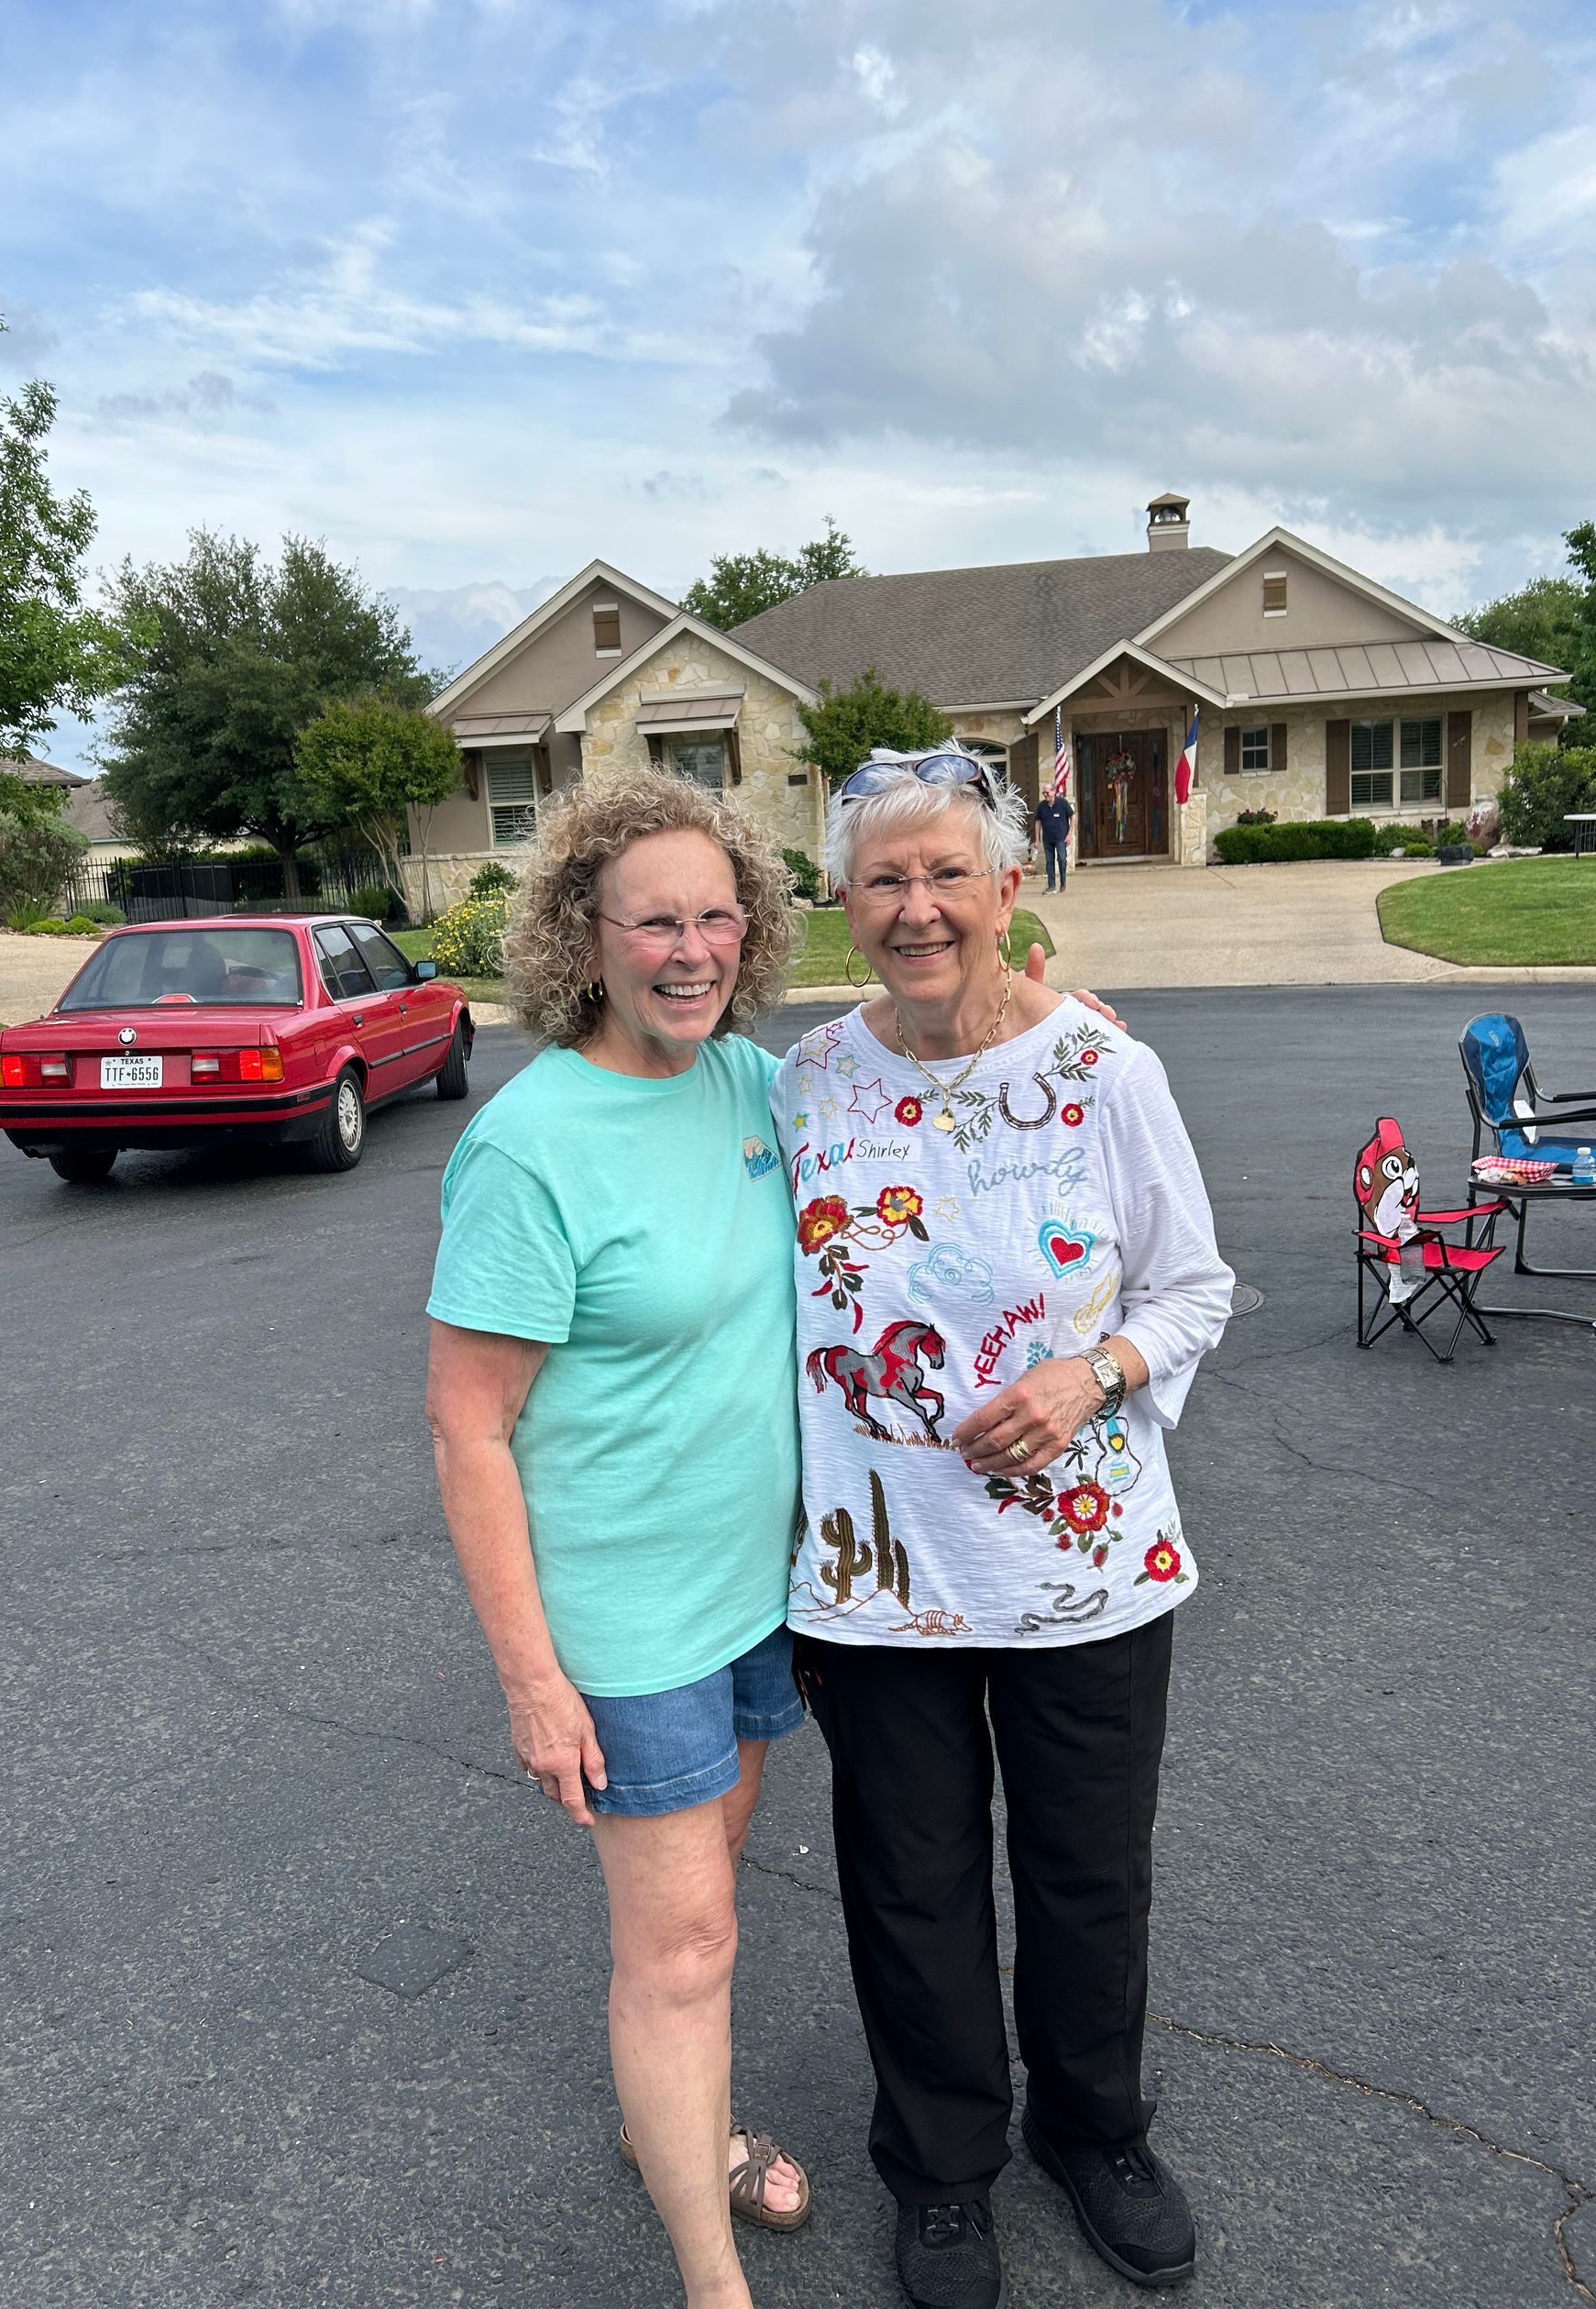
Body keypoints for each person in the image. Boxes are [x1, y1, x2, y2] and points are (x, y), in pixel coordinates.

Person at [776, 748, 1232, 2309]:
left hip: (1085, 1571)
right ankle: (945, 2167)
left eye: (945, 875)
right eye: (884, 880)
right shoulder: (803, 1083)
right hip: (873, 1576)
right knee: (911, 1886)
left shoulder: (1108, 1073)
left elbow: (1194, 1292)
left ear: (1007, 889)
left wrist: (1089, 1371)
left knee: (1089, 1872)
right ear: (843, 901)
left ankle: (1096, 2132)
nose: (917, 909)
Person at [425, 769, 813, 2309]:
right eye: (655, 918)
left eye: (718, 915)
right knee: (686, 1947)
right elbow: (469, 1427)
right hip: (627, 1620)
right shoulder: (531, 1149)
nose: (691, 947)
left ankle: (689, 2126)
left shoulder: (751, 1087)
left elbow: (925, 1085)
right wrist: (532, 1679)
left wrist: (1068, 1027)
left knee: (708, 1893)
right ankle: (710, 2273)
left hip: (757, 1594)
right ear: (587, 935)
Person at [1035, 779, 1072, 891]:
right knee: (1049, 862)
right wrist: (1037, 839)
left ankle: (1063, 882)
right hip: (1047, 838)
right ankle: (1051, 885)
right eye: (1044, 793)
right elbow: (1037, 822)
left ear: (1054, 791)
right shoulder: (1041, 806)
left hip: (1061, 837)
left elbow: (1072, 816)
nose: (1045, 795)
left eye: (1047, 792)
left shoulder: (1062, 803)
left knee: (1062, 859)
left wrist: (1070, 834)